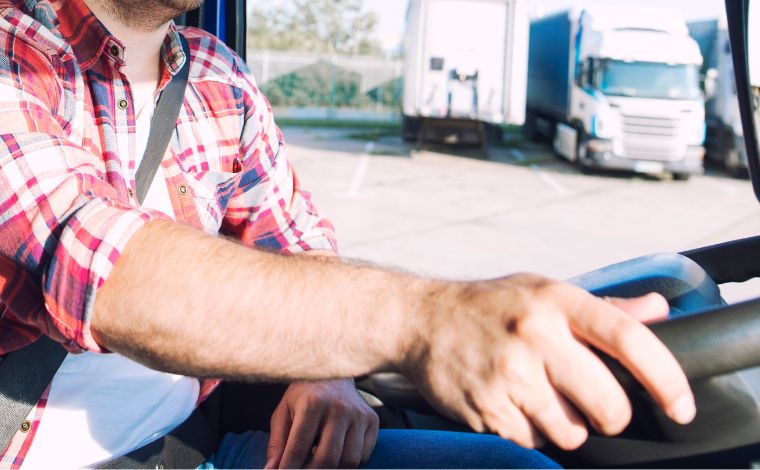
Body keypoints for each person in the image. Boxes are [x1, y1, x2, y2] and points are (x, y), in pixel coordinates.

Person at [0, 0, 697, 467]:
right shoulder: (14, 48)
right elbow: (96, 264)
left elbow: (296, 246)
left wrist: (326, 371)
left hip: (194, 450)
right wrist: (427, 320)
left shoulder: (220, 81)